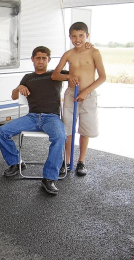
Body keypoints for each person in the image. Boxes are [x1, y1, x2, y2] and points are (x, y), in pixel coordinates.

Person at [0, 46, 67, 195]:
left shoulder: (56, 74)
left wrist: (85, 48)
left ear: (48, 59)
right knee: (3, 131)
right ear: (32, 59)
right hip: (32, 117)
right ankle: (16, 163)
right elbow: (14, 96)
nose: (41, 61)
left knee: (60, 136)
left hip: (51, 117)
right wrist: (19, 87)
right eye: (38, 58)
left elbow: (78, 72)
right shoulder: (28, 77)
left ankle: (49, 178)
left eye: (44, 58)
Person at [52, 22, 106, 176]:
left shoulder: (94, 52)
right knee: (67, 129)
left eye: (81, 35)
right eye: (74, 36)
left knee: (85, 129)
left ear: (87, 36)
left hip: (88, 95)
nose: (78, 39)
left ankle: (81, 161)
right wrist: (69, 75)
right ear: (69, 37)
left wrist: (86, 92)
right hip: (71, 95)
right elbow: (55, 75)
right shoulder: (68, 54)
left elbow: (102, 77)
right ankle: (67, 161)